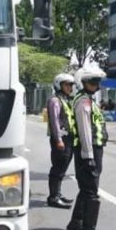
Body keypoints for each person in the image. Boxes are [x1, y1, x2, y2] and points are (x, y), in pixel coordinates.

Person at [66, 67, 110, 230]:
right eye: (93, 82)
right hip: (89, 151)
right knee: (91, 191)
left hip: (90, 151)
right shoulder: (83, 102)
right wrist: (89, 156)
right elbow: (85, 131)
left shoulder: (88, 100)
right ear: (82, 83)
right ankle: (89, 229)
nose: (96, 85)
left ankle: (76, 223)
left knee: (85, 189)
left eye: (97, 82)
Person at [46, 73, 76, 209]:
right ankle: (53, 197)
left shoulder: (65, 100)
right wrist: (58, 140)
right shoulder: (55, 101)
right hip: (61, 139)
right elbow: (54, 122)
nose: (70, 87)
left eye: (71, 85)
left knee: (62, 169)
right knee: (58, 168)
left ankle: (57, 194)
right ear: (59, 85)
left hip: (68, 139)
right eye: (67, 85)